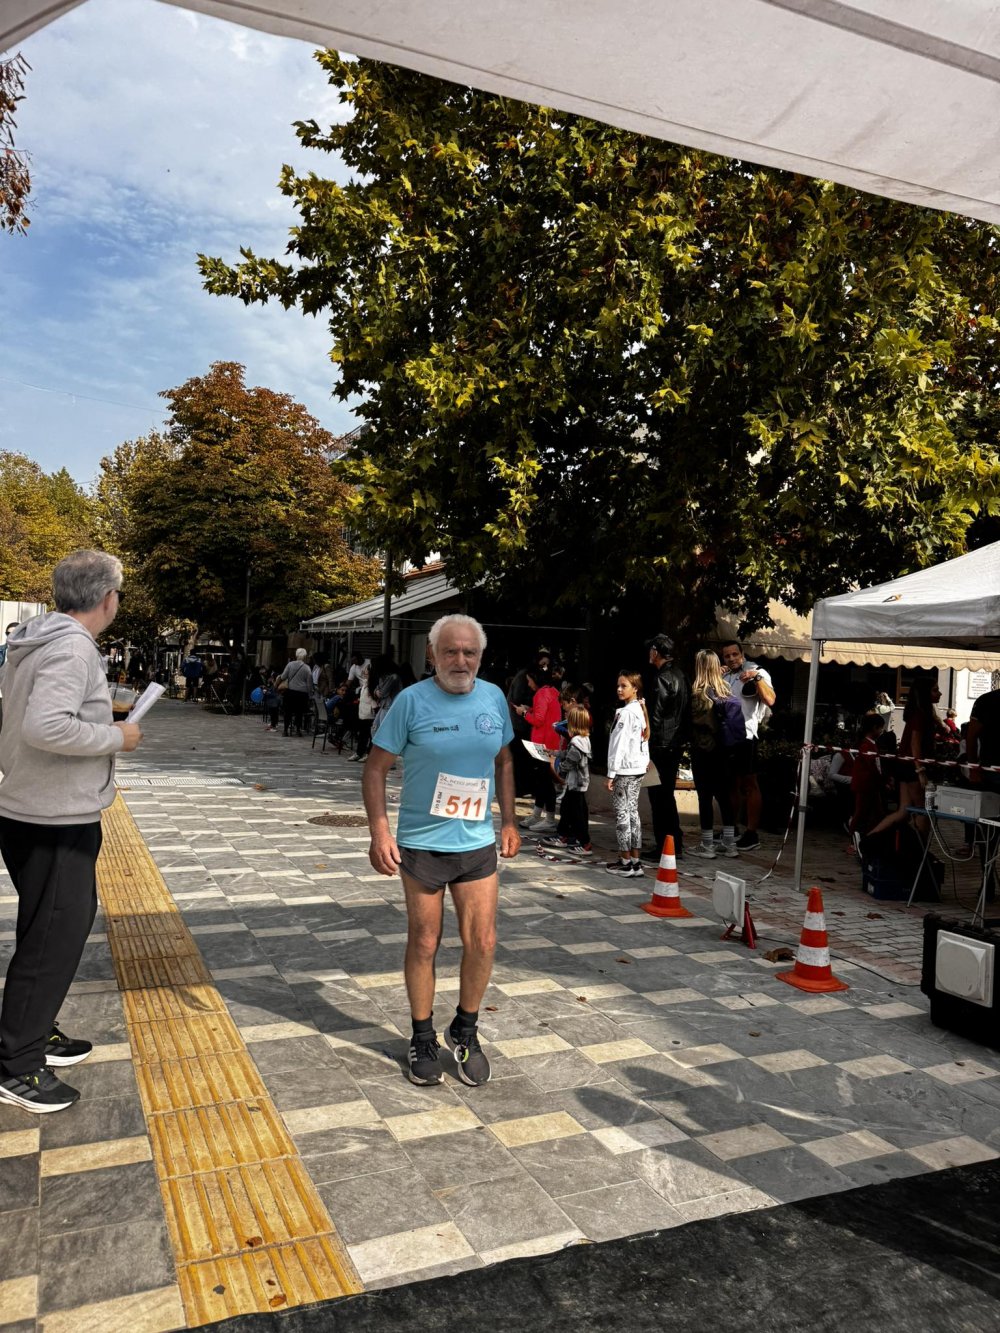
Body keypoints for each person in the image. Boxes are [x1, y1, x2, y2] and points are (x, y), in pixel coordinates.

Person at [0, 550, 143, 1113]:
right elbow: (44, 725)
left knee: (50, 928)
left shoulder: (32, 641)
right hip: (53, 817)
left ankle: (34, 1030)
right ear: (107, 599)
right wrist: (116, 738)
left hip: (29, 807)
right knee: (52, 939)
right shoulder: (72, 647)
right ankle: (18, 1065)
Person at [362, 613, 519, 1088]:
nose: (460, 660)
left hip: (476, 843)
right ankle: (423, 1035)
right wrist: (379, 832)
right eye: (450, 651)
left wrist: (509, 820)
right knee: (426, 942)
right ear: (432, 655)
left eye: (469, 651)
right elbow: (374, 770)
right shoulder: (410, 703)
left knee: (484, 941)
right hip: (422, 846)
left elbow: (505, 759)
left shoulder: (493, 697)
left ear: (480, 655)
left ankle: (465, 1029)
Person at [864, 676, 942, 841]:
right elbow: (915, 745)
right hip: (913, 767)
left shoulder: (918, 713)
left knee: (904, 811)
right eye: (935, 690)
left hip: (905, 765)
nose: (939, 693)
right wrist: (920, 770)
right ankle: (920, 851)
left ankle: (868, 840)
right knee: (922, 810)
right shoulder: (920, 715)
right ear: (924, 693)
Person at [720, 640, 777, 850]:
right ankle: (731, 828)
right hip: (726, 736)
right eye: (727, 656)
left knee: (749, 784)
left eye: (735, 654)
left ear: (742, 654)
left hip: (746, 735)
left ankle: (752, 833)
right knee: (731, 784)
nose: (732, 658)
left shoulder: (756, 670)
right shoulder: (724, 675)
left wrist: (757, 677)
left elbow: (770, 700)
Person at [687, 650, 740, 859]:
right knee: (724, 796)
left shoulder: (699, 693)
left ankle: (707, 844)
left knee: (705, 797)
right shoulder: (725, 688)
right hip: (725, 749)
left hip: (704, 750)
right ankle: (729, 843)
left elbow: (698, 722)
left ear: (700, 666)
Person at [645, 634, 690, 858]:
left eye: (651, 650)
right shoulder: (680, 675)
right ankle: (674, 843)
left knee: (659, 797)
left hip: (661, 744)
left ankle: (665, 845)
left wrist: (646, 743)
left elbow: (655, 716)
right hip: (675, 742)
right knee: (666, 796)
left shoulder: (662, 678)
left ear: (656, 652)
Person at [605, 672, 650, 877]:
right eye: (618, 685)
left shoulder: (626, 713)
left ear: (635, 688)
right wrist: (645, 760)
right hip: (637, 767)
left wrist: (611, 772)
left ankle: (625, 861)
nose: (619, 689)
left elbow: (619, 745)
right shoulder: (639, 710)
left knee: (623, 814)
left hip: (625, 769)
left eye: (624, 685)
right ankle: (635, 860)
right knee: (633, 813)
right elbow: (644, 739)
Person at [539, 704, 593, 855]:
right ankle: (562, 835)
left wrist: (558, 770)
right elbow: (566, 753)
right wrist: (553, 752)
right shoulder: (581, 740)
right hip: (577, 784)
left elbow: (569, 761)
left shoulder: (577, 743)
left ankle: (584, 843)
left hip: (576, 784)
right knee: (567, 809)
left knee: (577, 814)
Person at [515, 666, 562, 835]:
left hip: (542, 744)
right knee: (542, 780)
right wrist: (531, 710)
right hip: (549, 742)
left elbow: (539, 720)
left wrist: (523, 713)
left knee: (544, 781)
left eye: (529, 680)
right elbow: (546, 714)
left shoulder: (541, 693)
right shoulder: (552, 692)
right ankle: (537, 814)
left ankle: (549, 818)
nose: (528, 684)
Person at [278, 647, 312, 736]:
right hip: (302, 694)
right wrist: (310, 694)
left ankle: (285, 730)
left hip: (290, 692)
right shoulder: (307, 668)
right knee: (299, 713)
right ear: (304, 656)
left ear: (296, 655)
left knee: (288, 712)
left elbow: (283, 676)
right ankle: (298, 730)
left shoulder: (290, 665)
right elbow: (309, 684)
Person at [0, 621, 20, 731]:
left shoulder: (28, 653)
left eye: (15, 633)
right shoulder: (1, 651)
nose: (11, 636)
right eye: (8, 633)